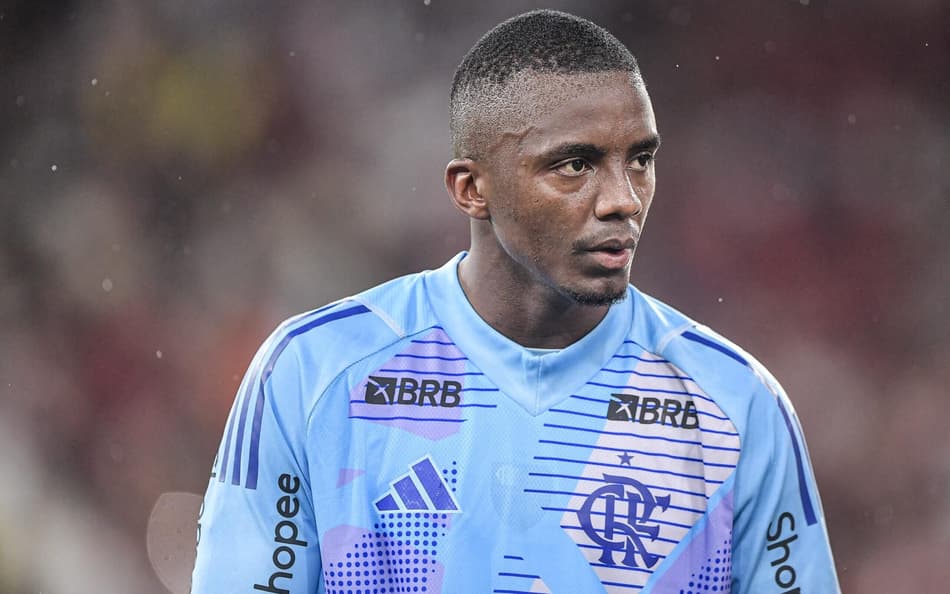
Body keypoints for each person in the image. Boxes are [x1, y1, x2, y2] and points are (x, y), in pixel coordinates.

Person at [191, 10, 840, 594]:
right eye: (575, 165)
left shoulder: (735, 403)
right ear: (472, 188)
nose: (624, 199)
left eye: (639, 160)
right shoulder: (314, 373)